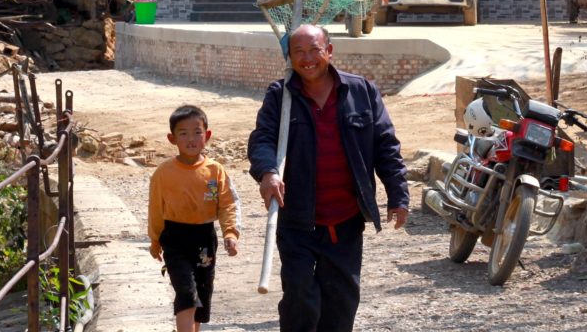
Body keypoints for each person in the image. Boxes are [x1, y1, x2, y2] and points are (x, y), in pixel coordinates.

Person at [248, 24, 409, 332]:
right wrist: (267, 173)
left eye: (315, 50)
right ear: (290, 57)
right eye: (299, 52)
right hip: (297, 221)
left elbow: (385, 145)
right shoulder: (280, 96)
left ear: (329, 51)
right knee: (300, 300)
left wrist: (397, 195)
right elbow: (262, 140)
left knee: (341, 305)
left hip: (345, 223)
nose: (308, 59)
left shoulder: (361, 91)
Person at [149, 104, 241, 332]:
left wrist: (230, 232)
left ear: (207, 135)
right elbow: (156, 209)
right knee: (186, 291)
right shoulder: (163, 173)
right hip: (174, 238)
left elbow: (228, 203)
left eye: (197, 132)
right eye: (183, 133)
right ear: (172, 138)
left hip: (204, 238)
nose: (191, 139)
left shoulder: (215, 171)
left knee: (201, 292)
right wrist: (155, 240)